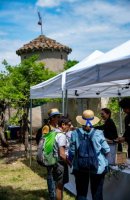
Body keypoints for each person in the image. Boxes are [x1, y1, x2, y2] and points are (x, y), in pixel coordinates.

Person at [69, 109, 110, 200]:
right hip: (97, 167)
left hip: (80, 167)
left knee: (81, 193)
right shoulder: (98, 133)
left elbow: (71, 151)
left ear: (81, 121)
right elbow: (107, 150)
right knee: (97, 193)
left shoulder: (75, 133)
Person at [42, 108, 61, 200]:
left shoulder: (57, 127)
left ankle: (55, 193)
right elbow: (44, 140)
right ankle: (52, 195)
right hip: (49, 154)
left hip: (56, 153)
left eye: (59, 116)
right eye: (57, 116)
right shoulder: (47, 127)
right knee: (50, 174)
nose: (59, 118)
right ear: (52, 118)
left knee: (55, 174)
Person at [52, 116, 72, 200]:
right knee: (59, 187)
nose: (70, 127)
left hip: (56, 162)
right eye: (69, 125)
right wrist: (69, 163)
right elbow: (62, 154)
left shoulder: (54, 132)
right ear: (63, 125)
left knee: (58, 185)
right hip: (60, 164)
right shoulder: (61, 136)